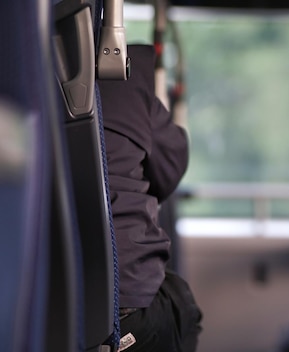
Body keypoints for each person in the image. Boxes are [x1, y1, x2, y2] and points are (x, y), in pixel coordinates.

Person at [98, 44, 202, 352]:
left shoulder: (4, 75)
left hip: (28, 300)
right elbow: (170, 167)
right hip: (123, 307)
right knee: (182, 305)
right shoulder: (121, 77)